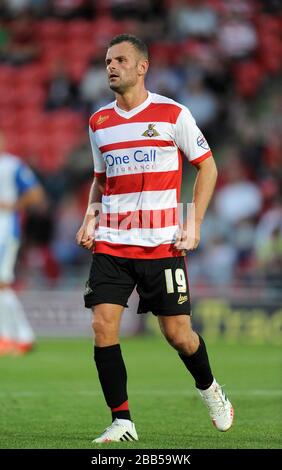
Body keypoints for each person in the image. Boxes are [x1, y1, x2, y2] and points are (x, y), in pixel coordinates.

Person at [76, 34, 234, 443]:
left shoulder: (172, 114)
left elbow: (208, 168)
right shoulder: (99, 122)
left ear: (142, 66)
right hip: (112, 241)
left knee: (179, 335)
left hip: (162, 244)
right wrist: (90, 217)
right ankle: (122, 421)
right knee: (102, 325)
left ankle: (210, 389)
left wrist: (193, 224)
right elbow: (100, 180)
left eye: (121, 60)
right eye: (108, 60)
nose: (111, 66)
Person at [0, 131, 45, 355]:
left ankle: (16, 336)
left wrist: (13, 205)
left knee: (2, 283)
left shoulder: (11, 165)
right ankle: (16, 337)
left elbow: (36, 194)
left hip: (5, 230)